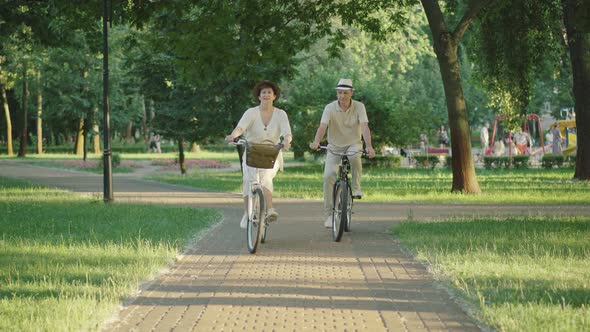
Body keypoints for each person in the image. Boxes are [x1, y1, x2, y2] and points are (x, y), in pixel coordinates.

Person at [309, 78, 376, 228]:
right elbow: (322, 126)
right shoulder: (330, 108)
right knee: (328, 176)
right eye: (339, 93)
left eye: (345, 93)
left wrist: (369, 146)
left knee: (354, 156)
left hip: (353, 144)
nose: (342, 96)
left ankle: (356, 187)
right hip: (335, 146)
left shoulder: (359, 107)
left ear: (352, 93)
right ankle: (328, 215)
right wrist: (316, 141)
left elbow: (365, 127)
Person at [225, 80, 292, 229]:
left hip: (271, 153)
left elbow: (287, 133)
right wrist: (233, 136)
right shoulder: (251, 112)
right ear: (259, 96)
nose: (266, 95)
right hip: (252, 151)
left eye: (269, 92)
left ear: (274, 96)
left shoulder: (281, 114)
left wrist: (287, 142)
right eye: (263, 92)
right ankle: (247, 213)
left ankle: (270, 210)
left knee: (266, 178)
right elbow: (240, 128)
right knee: (248, 180)